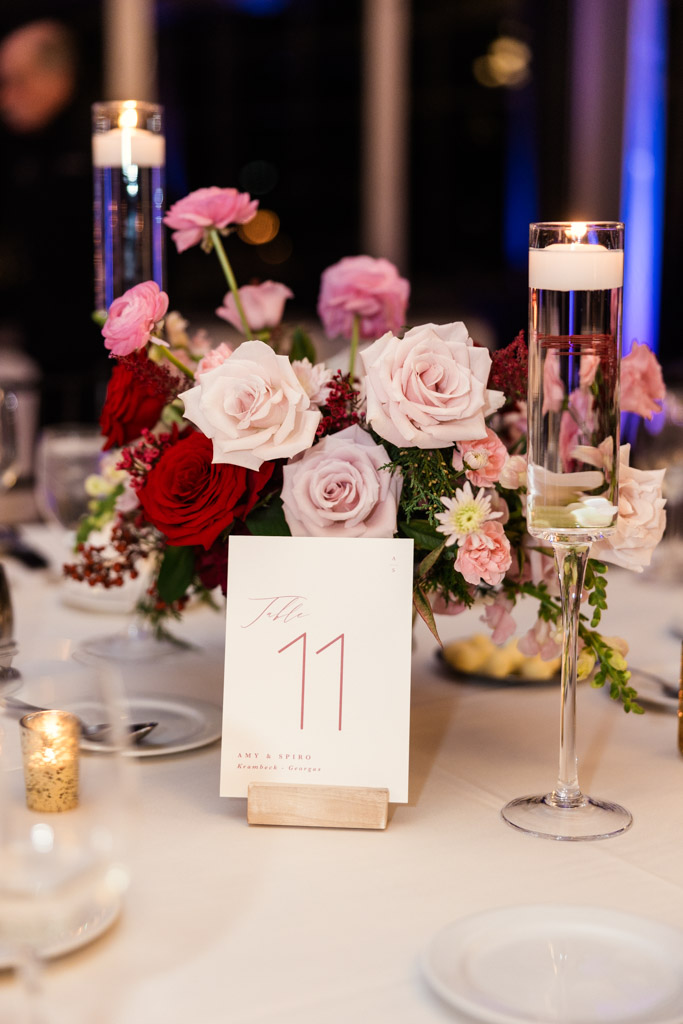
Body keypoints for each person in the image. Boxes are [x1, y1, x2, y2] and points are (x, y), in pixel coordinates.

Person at [0, 18, 108, 429]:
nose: (7, 97)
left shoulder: (97, 148)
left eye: (17, 81)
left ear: (58, 76)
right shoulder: (19, 149)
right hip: (39, 344)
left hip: (94, 353)